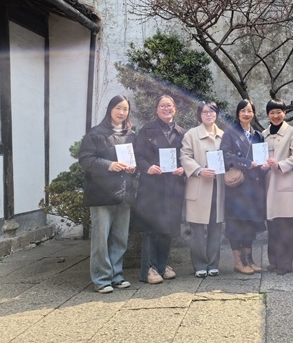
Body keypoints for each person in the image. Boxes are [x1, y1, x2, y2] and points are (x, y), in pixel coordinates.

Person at [79, 95, 136, 294]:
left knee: (120, 237)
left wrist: (133, 168)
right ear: (110, 109)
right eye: (118, 108)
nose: (122, 112)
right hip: (101, 192)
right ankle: (102, 279)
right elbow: (85, 159)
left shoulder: (131, 135)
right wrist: (109, 165)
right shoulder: (96, 133)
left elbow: (135, 160)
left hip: (124, 191)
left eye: (125, 109)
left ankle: (116, 275)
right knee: (101, 238)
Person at [133, 95, 186, 285]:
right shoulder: (146, 131)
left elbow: (187, 156)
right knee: (151, 228)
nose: (166, 109)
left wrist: (183, 168)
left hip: (173, 185)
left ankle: (162, 266)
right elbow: (137, 154)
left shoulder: (182, 133)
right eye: (162, 106)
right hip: (152, 185)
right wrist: (147, 167)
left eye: (169, 105)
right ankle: (149, 268)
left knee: (168, 227)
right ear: (156, 109)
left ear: (175, 109)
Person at [220, 99, 267, 275]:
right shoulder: (230, 133)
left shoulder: (258, 135)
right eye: (243, 111)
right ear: (238, 113)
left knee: (249, 224)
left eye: (249, 111)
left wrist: (265, 166)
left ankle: (249, 260)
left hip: (254, 186)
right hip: (237, 187)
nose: (246, 114)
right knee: (236, 224)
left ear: (253, 114)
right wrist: (246, 163)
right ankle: (239, 262)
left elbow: (262, 156)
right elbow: (225, 156)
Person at [180, 101, 225, 278]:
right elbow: (185, 156)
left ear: (216, 114)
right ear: (199, 115)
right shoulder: (191, 134)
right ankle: (199, 264)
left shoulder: (223, 135)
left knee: (216, 228)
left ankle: (213, 264)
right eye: (205, 112)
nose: (208, 114)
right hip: (199, 187)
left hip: (218, 188)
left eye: (212, 112)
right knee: (197, 229)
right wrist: (199, 170)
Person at [261, 99, 293, 275]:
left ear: (284, 113)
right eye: (272, 113)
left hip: (286, 182)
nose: (276, 116)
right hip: (269, 183)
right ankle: (273, 261)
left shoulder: (291, 132)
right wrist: (262, 165)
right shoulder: (263, 134)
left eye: (279, 112)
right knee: (273, 225)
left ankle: (285, 263)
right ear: (268, 115)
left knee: (286, 225)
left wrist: (280, 164)